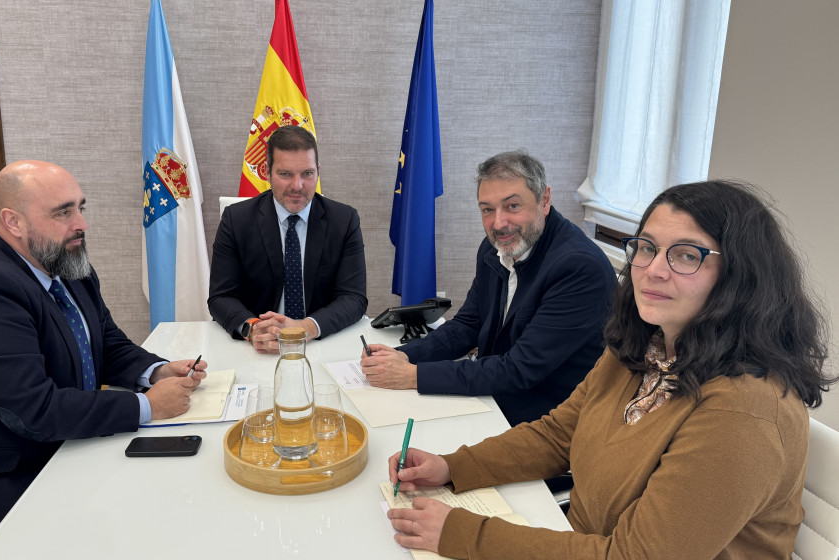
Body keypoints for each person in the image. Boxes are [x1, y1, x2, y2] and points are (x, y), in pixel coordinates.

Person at [385, 180, 834, 559]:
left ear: (741, 275)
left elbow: (634, 557)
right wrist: (453, 466)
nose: (652, 271)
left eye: (685, 255)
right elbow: (560, 434)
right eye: (647, 248)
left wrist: (463, 534)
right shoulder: (645, 346)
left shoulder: (744, 412)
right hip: (579, 539)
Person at [0, 161, 208, 557]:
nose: (80, 223)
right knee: (118, 529)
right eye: (63, 212)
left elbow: (105, 342)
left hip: (34, 448)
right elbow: (34, 410)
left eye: (81, 207)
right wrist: (146, 405)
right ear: (13, 221)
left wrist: (156, 370)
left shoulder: (66, 264)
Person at [361, 151, 616, 426]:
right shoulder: (494, 249)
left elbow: (519, 369)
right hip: (498, 394)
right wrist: (402, 356)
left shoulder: (578, 268)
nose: (498, 224)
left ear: (545, 200)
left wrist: (413, 376)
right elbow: (468, 325)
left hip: (550, 418)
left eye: (513, 206)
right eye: (487, 210)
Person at [208, 125, 367, 353]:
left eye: (307, 174)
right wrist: (253, 329)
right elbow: (221, 297)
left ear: (318, 171)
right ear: (267, 172)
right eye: (285, 174)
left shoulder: (344, 220)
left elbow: (354, 297)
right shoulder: (236, 219)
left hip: (322, 343)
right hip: (257, 348)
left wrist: (306, 328)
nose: (297, 186)